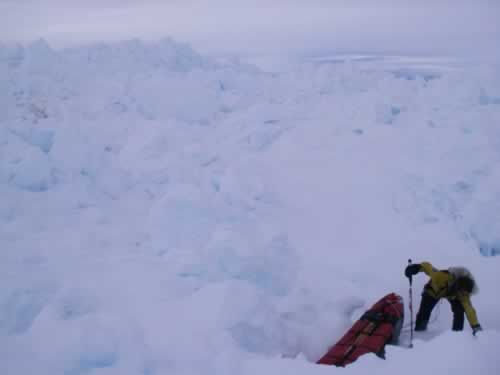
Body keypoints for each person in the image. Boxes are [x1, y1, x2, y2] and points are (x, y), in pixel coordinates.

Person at [405, 261, 482, 335]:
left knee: (459, 311)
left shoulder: (463, 295)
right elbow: (429, 268)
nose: (462, 295)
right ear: (458, 286)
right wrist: (417, 267)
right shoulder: (441, 277)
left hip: (451, 294)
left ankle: (457, 336)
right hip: (433, 291)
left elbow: (469, 310)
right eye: (462, 292)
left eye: (464, 293)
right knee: (424, 311)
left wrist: (475, 326)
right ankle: (419, 332)